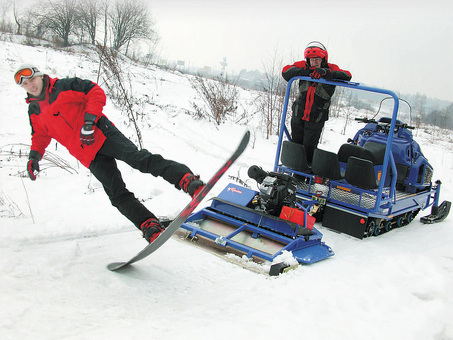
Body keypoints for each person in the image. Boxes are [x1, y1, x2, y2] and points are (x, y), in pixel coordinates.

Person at [14, 64, 204, 244]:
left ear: (39, 76)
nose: (30, 86)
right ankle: (148, 224)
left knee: (140, 160)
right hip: (88, 155)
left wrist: (89, 121)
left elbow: (94, 91)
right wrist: (34, 157)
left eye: (31, 80)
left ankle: (187, 180)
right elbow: (39, 134)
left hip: (102, 134)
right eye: (24, 84)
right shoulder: (34, 109)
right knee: (116, 194)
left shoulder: (63, 87)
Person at [282, 41, 352, 164]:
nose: (314, 62)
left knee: (309, 148)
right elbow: (286, 71)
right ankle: (293, 172)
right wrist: (304, 72)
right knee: (296, 145)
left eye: (317, 59)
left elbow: (347, 75)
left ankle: (303, 176)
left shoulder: (331, 68)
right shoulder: (303, 66)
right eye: (311, 59)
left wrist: (327, 73)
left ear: (323, 59)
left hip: (316, 116)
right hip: (299, 113)